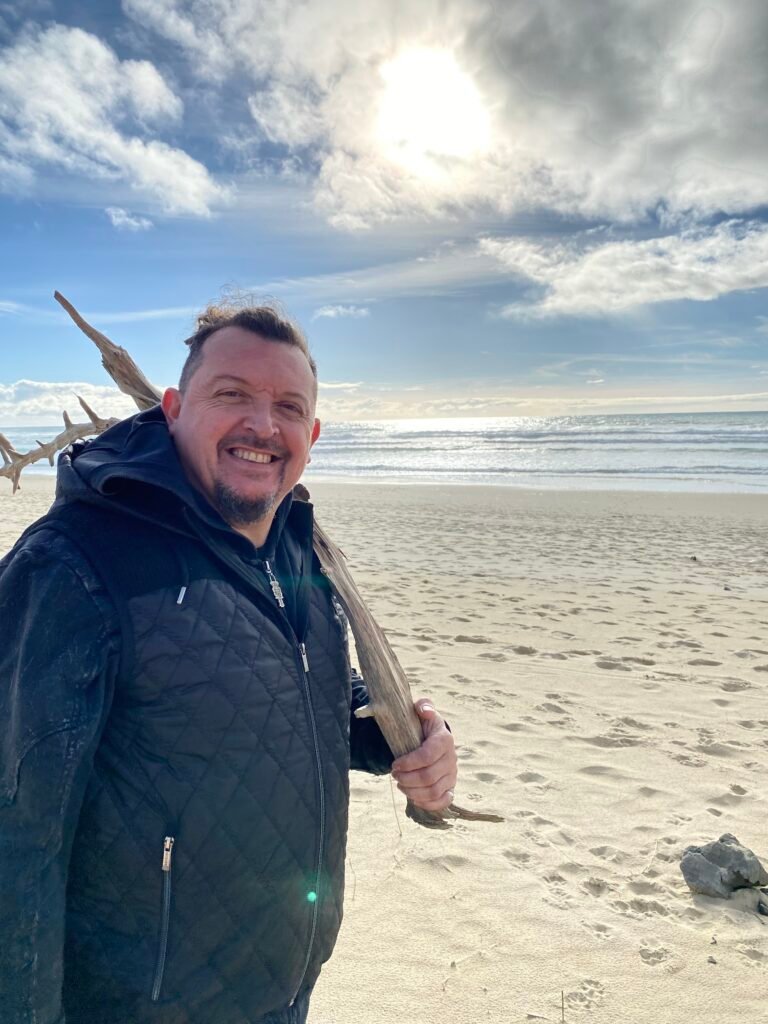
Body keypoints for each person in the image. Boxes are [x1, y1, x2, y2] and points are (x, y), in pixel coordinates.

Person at [0, 304, 457, 1024]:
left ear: (312, 434)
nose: (262, 425)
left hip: (279, 985)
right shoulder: (76, 563)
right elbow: (15, 836)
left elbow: (291, 688)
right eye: (232, 394)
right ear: (174, 409)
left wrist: (404, 739)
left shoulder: (296, 548)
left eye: (288, 407)